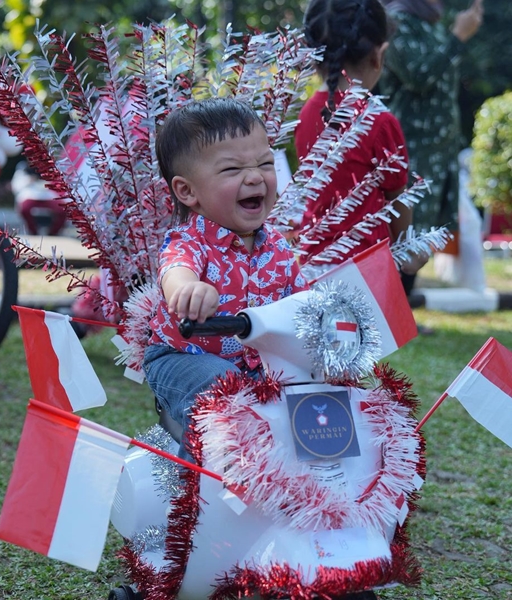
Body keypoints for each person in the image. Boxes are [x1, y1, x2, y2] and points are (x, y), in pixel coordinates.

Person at [143, 98, 308, 455]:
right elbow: (175, 270)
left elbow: (302, 305)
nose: (255, 177)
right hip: (182, 357)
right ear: (187, 191)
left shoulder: (278, 247)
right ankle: (200, 493)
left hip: (257, 365)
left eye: (265, 163)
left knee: (310, 387)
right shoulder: (189, 241)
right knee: (222, 388)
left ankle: (306, 484)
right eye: (233, 170)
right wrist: (188, 290)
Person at [296, 0, 418, 273]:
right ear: (379, 55)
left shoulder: (305, 115)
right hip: (367, 271)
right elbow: (398, 206)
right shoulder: (380, 121)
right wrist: (412, 250)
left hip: (312, 266)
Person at [377, 0, 483, 292]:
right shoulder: (397, 21)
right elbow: (419, 76)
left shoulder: (430, 25)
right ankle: (395, 311)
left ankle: (405, 309)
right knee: (405, 233)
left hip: (439, 152)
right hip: (412, 149)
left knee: (423, 234)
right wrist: (457, 37)